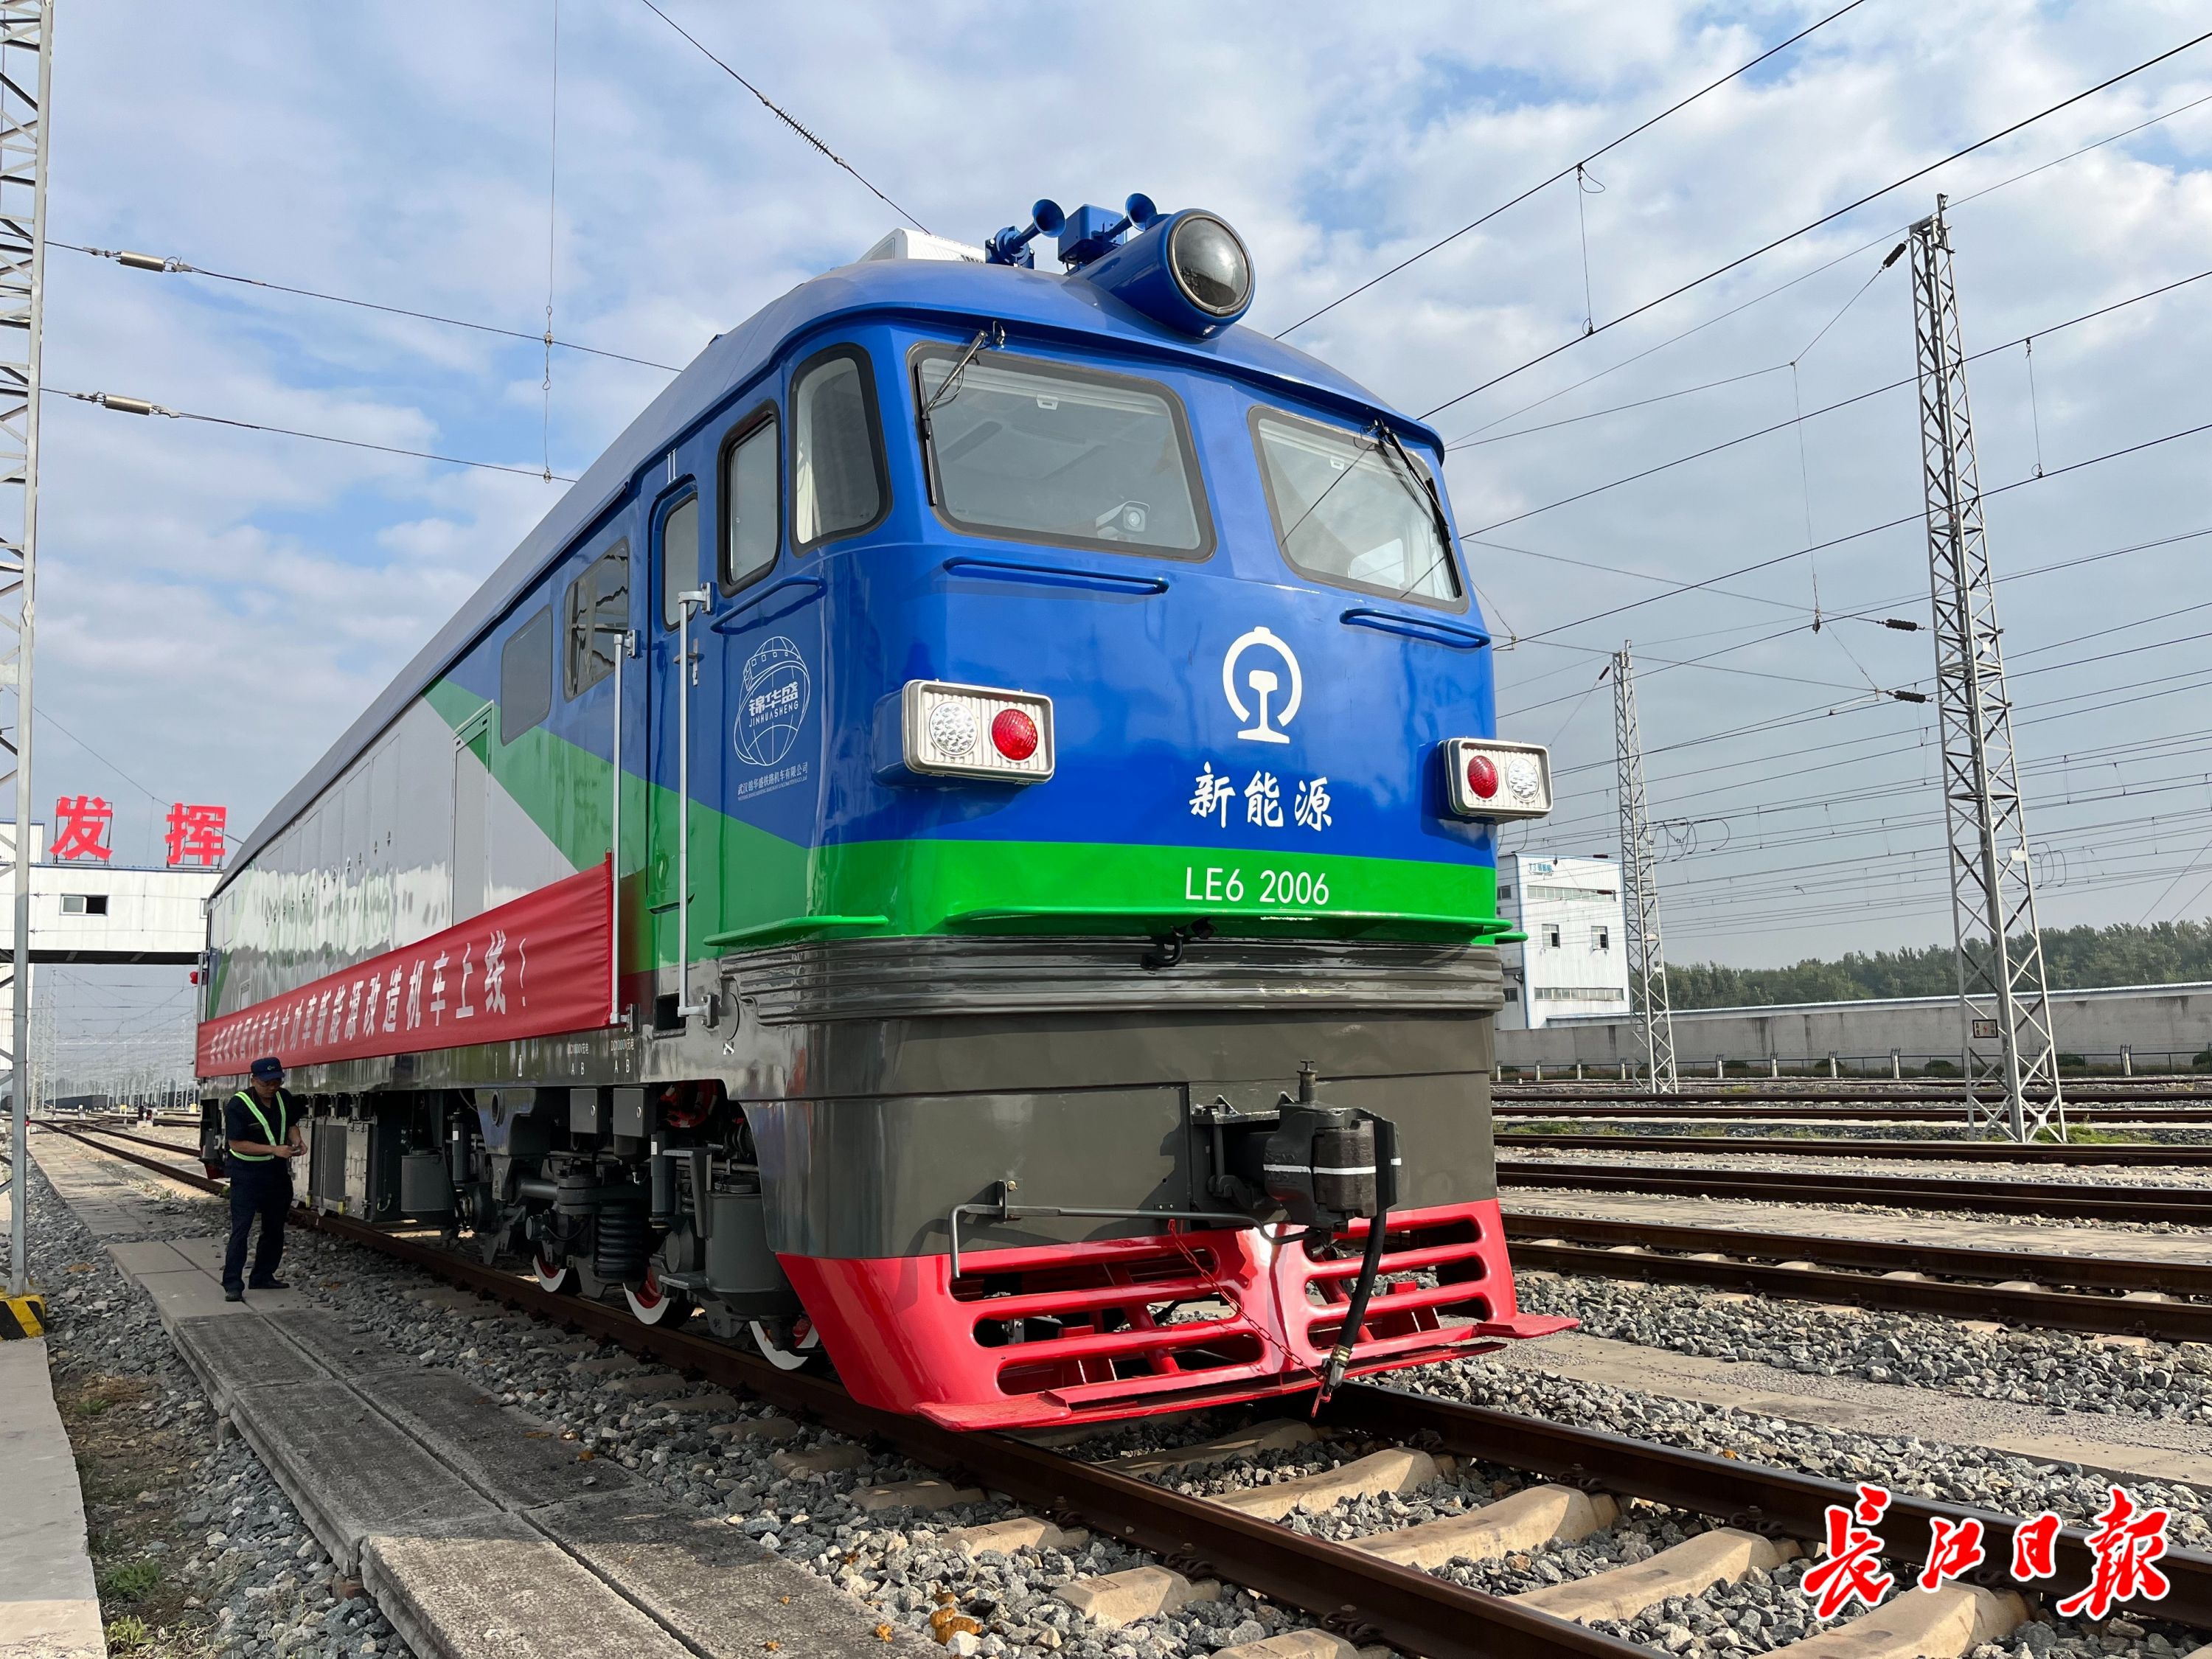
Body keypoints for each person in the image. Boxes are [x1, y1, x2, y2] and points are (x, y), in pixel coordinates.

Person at [222, 1057, 305, 1301]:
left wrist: (297, 1140)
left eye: (277, 1082)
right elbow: (236, 1143)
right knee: (242, 1229)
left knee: (274, 1227)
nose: (272, 1087)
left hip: (276, 1173)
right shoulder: (238, 1105)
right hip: (247, 1174)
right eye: (266, 1083)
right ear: (253, 1080)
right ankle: (233, 1283)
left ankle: (263, 1275)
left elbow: (291, 1123)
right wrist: (273, 1149)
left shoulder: (284, 1097)